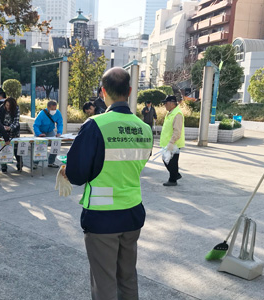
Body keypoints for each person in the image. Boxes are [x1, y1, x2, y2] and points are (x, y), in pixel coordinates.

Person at [62, 67, 153, 300]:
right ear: (130, 91)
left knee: (104, 283)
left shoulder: (95, 125)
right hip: (133, 212)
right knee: (128, 277)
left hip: (102, 217)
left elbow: (77, 173)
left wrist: (67, 172)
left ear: (103, 92)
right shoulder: (144, 128)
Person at [160, 95, 185, 186]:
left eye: (165, 103)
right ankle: (175, 175)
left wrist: (171, 142)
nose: (164, 105)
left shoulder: (177, 114)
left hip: (174, 143)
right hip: (168, 143)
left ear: (171, 103)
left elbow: (177, 130)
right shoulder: (171, 113)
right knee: (167, 160)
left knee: (172, 162)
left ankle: (173, 179)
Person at [33, 100, 63, 169]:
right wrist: (39, 134)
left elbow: (60, 123)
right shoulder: (42, 114)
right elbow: (35, 125)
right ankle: (35, 163)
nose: (54, 110)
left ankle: (51, 162)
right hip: (41, 131)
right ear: (48, 107)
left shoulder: (57, 113)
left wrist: (59, 132)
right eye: (52, 109)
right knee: (40, 146)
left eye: (55, 108)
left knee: (56, 143)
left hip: (50, 131)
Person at [0, 97, 22, 172]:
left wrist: (10, 128)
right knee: (3, 148)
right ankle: (4, 166)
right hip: (2, 131)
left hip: (14, 131)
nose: (7, 107)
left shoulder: (16, 109)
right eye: (6, 105)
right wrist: (2, 127)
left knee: (16, 149)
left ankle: (19, 164)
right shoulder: (0, 108)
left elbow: (16, 122)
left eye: (9, 106)